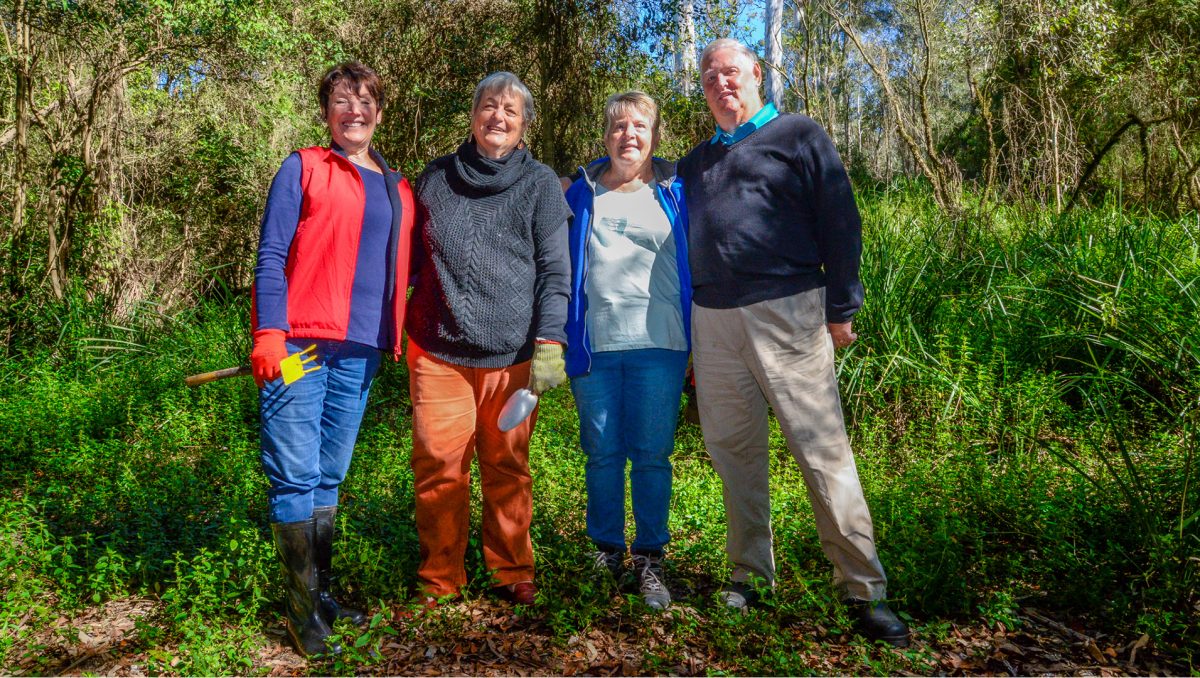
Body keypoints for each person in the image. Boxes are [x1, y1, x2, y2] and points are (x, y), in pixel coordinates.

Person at [676, 39, 910, 647]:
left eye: (730, 71)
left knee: (821, 451)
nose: (720, 83)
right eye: (708, 77)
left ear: (756, 73)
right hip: (714, 318)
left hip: (789, 312)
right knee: (734, 452)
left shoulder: (799, 134)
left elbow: (841, 218)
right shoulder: (695, 162)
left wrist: (842, 305)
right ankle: (749, 575)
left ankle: (865, 590)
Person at [251, 61, 414, 655]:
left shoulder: (398, 187)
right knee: (294, 472)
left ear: (379, 112)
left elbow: (406, 266)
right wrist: (270, 331)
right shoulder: (303, 168)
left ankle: (320, 596)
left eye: (366, 100)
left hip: (362, 348)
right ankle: (299, 615)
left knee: (328, 474)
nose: (355, 110)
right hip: (301, 345)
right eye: (343, 100)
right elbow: (271, 254)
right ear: (327, 112)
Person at [405, 71, 571, 607]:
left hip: (514, 357)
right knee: (439, 468)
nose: (498, 117)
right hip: (438, 350)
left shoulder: (541, 183)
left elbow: (554, 270)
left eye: (511, 111)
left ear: (524, 126)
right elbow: (404, 262)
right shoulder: (434, 179)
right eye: (489, 107)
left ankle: (511, 569)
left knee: (507, 465)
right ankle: (440, 576)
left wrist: (551, 338)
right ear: (474, 115)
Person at [563, 91, 690, 611]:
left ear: (653, 135)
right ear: (606, 136)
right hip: (596, 345)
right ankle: (607, 551)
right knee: (601, 454)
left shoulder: (675, 190)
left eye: (639, 126)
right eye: (618, 127)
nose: (628, 135)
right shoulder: (581, 194)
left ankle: (651, 559)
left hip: (661, 343)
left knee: (652, 455)